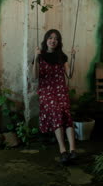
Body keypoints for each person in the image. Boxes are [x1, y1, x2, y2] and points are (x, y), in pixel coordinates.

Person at [32, 29, 76, 164]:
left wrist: (73, 58)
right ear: (46, 40)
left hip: (60, 90)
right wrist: (35, 57)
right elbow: (34, 77)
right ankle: (63, 150)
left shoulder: (62, 57)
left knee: (66, 114)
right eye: (50, 38)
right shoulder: (40, 55)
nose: (53, 40)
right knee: (57, 112)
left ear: (58, 42)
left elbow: (69, 75)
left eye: (56, 39)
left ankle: (73, 150)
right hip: (46, 91)